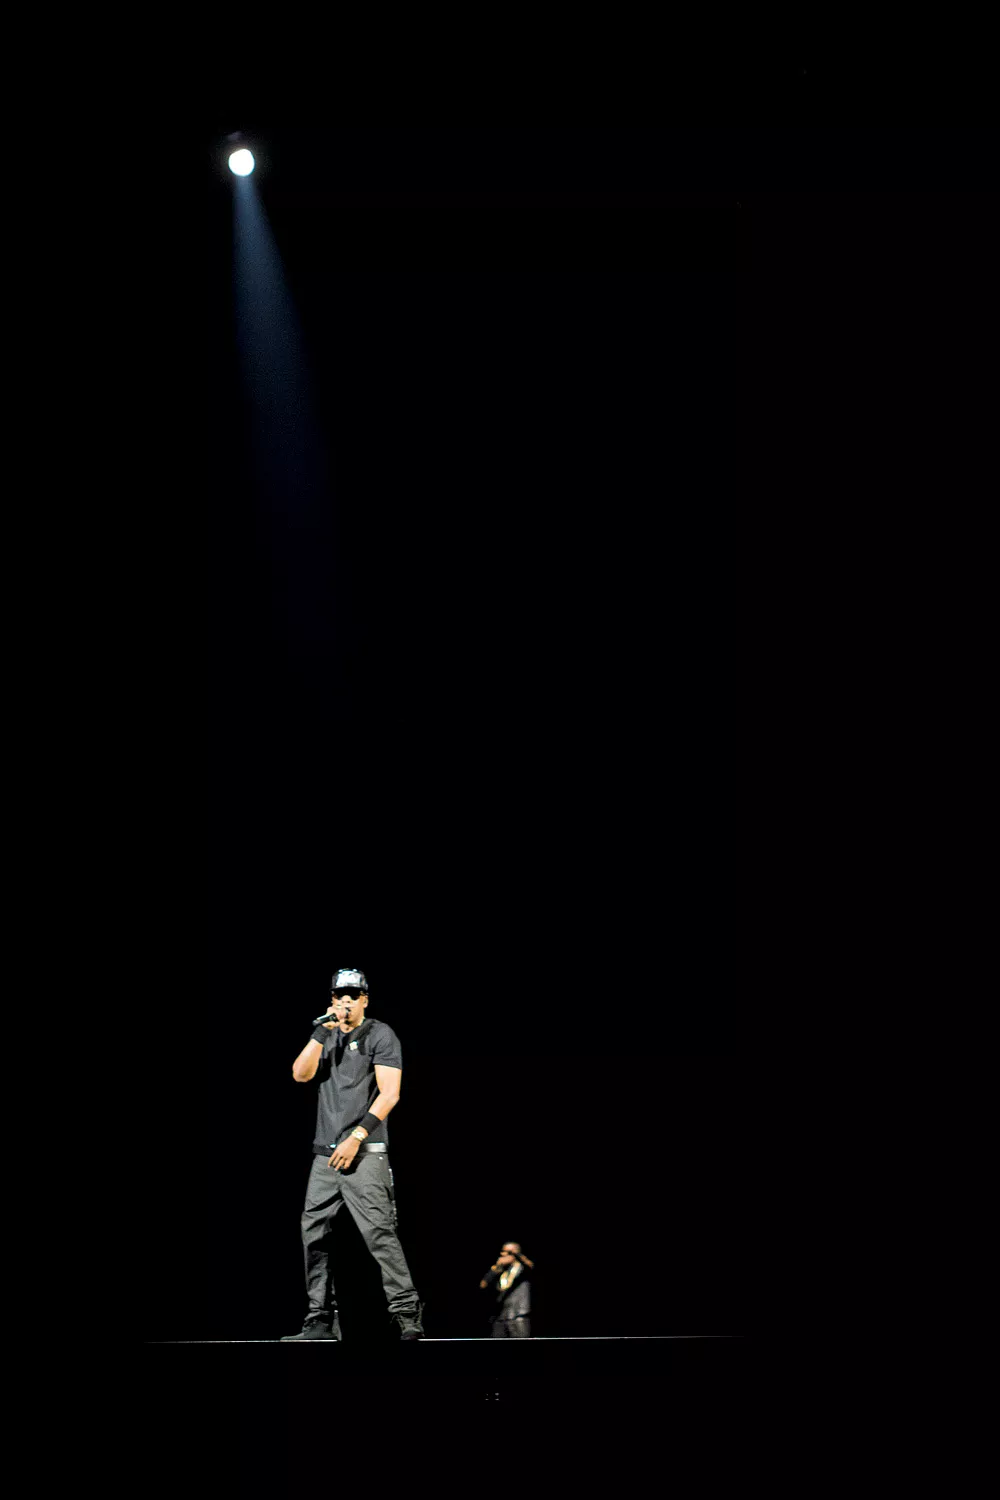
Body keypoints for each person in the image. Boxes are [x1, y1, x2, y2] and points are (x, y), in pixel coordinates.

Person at [280, 968, 424, 1342]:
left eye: (353, 995)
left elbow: (390, 1093)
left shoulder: (380, 1034)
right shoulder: (326, 1035)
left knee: (379, 1233)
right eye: (339, 994)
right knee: (314, 1236)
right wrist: (320, 1032)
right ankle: (320, 1320)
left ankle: (406, 1314)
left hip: (365, 1154)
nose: (345, 1000)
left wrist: (357, 1137)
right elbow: (300, 1074)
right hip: (324, 1157)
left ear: (365, 1000)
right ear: (331, 999)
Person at [479, 1242, 534, 1337]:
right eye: (502, 1251)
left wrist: (516, 1254)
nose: (503, 1254)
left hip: (518, 1314)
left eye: (507, 1252)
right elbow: (483, 1285)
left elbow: (530, 1266)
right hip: (500, 1315)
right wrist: (496, 1268)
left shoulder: (522, 1269)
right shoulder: (500, 1271)